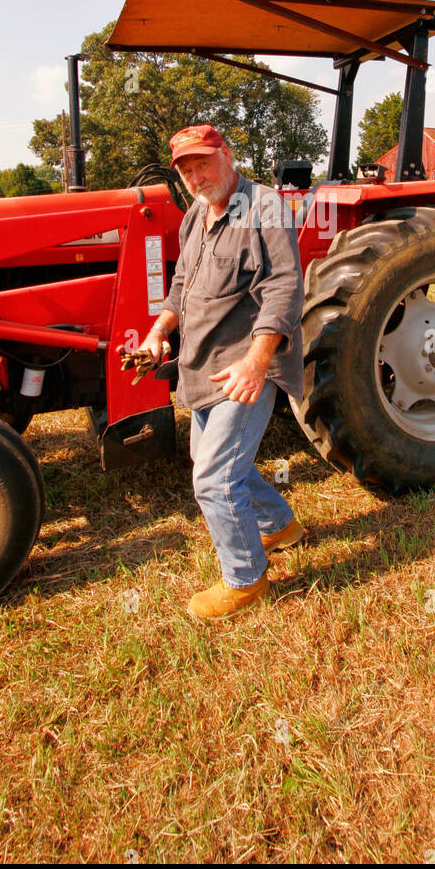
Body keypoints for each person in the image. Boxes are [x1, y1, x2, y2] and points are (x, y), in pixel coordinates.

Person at [137, 125, 306, 620]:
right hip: (204, 363)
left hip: (247, 363)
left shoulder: (265, 206)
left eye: (203, 164)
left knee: (213, 478)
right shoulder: (196, 215)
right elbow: (183, 284)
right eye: (186, 170)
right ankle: (280, 525)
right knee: (219, 462)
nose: (195, 176)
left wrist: (257, 362)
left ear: (227, 156)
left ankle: (245, 579)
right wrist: (159, 331)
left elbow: (284, 287)